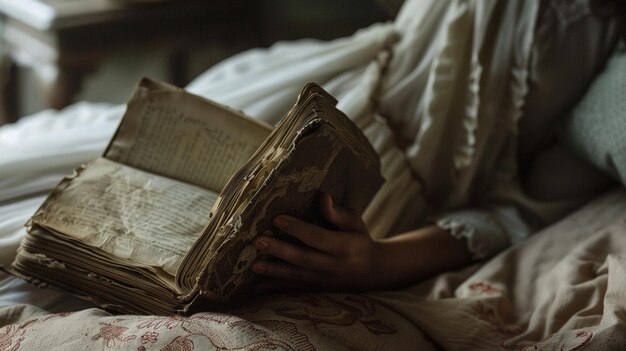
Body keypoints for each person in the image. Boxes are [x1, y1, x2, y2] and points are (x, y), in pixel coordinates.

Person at [245, 0, 625, 293]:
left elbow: (520, 212)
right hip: (318, 91)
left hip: (381, 199)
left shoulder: (606, 51)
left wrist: (380, 261)